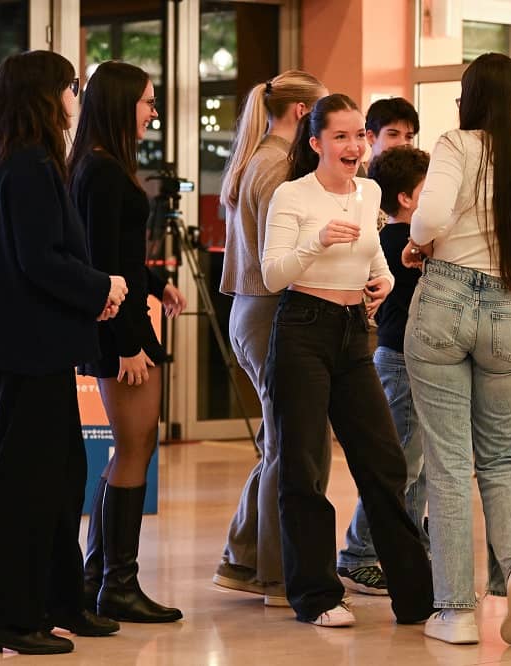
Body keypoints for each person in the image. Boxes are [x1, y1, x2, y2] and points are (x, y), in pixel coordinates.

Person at [402, 52, 511, 646]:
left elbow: (428, 219)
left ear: (468, 99)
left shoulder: (457, 144)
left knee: (448, 463)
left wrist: (425, 242)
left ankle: (455, 613)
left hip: (444, 302)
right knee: (505, 458)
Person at [0, 50, 127, 655]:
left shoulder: (18, 158)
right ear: (46, 93)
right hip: (29, 345)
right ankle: (6, 619)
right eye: (71, 86)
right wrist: (101, 288)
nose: (75, 97)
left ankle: (60, 601)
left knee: (60, 476)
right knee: (27, 483)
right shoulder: (29, 164)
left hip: (33, 342)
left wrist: (91, 294)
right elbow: (40, 260)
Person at [261, 93, 434, 628]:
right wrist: (316, 241)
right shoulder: (292, 195)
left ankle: (417, 598)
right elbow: (272, 274)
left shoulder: (369, 191)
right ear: (316, 142)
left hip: (354, 334)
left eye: (359, 135)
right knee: (304, 468)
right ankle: (316, 596)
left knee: (385, 461)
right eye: (341, 136)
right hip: (302, 330)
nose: (354, 145)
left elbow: (373, 254)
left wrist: (383, 279)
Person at [69, 60, 187, 624]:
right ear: (120, 104)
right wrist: (126, 344)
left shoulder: (103, 165)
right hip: (121, 330)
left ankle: (101, 576)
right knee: (134, 447)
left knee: (130, 448)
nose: (153, 113)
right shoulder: (102, 171)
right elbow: (100, 262)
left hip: (126, 322)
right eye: (147, 102)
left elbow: (120, 253)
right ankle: (117, 583)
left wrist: (158, 285)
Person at [214, 70, 327, 607]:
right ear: (303, 113)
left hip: (249, 309)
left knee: (281, 440)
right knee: (291, 446)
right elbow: (282, 258)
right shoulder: (279, 168)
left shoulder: (255, 158)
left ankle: (243, 558)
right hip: (269, 311)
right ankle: (277, 576)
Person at [337, 141, 429, 597]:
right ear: (407, 199)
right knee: (399, 466)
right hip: (401, 362)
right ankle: (358, 554)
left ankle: (405, 552)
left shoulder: (405, 241)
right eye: (429, 191)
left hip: (409, 360)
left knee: (416, 466)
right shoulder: (399, 243)